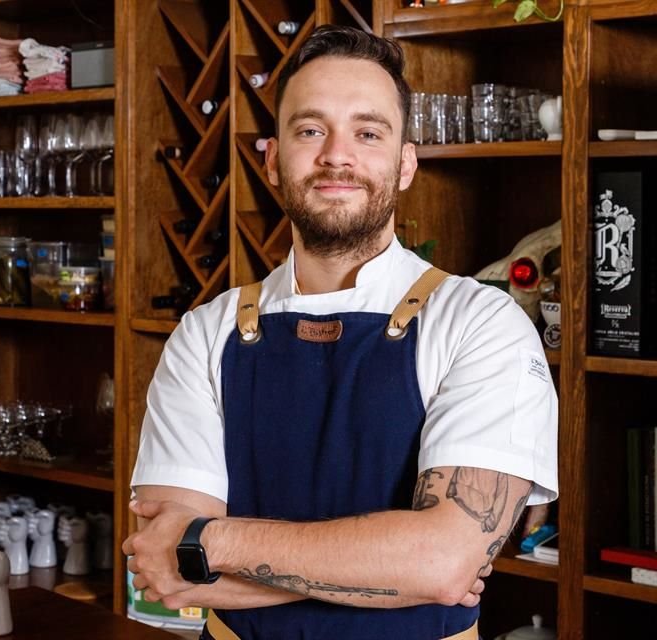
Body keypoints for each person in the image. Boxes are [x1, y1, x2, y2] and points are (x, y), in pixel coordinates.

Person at [122, 25, 558, 640]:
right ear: (272, 159)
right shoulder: (205, 332)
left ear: (405, 163)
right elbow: (165, 570)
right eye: (309, 130)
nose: (336, 155)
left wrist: (213, 542)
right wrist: (395, 568)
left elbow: (443, 562)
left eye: (368, 132)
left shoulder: (481, 323)